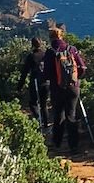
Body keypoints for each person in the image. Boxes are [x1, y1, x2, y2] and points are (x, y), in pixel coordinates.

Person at [44, 23, 87, 152]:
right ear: (62, 36)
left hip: (57, 89)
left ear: (51, 38)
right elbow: (83, 67)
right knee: (71, 115)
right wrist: (75, 79)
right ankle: (73, 145)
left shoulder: (50, 52)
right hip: (73, 87)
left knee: (58, 115)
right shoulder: (71, 49)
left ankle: (57, 143)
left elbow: (46, 73)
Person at [18, 37, 49, 129]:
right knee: (44, 104)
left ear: (32, 45)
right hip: (46, 82)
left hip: (35, 82)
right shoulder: (45, 55)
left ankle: (38, 120)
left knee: (33, 103)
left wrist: (19, 86)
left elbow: (24, 72)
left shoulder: (31, 56)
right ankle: (46, 124)